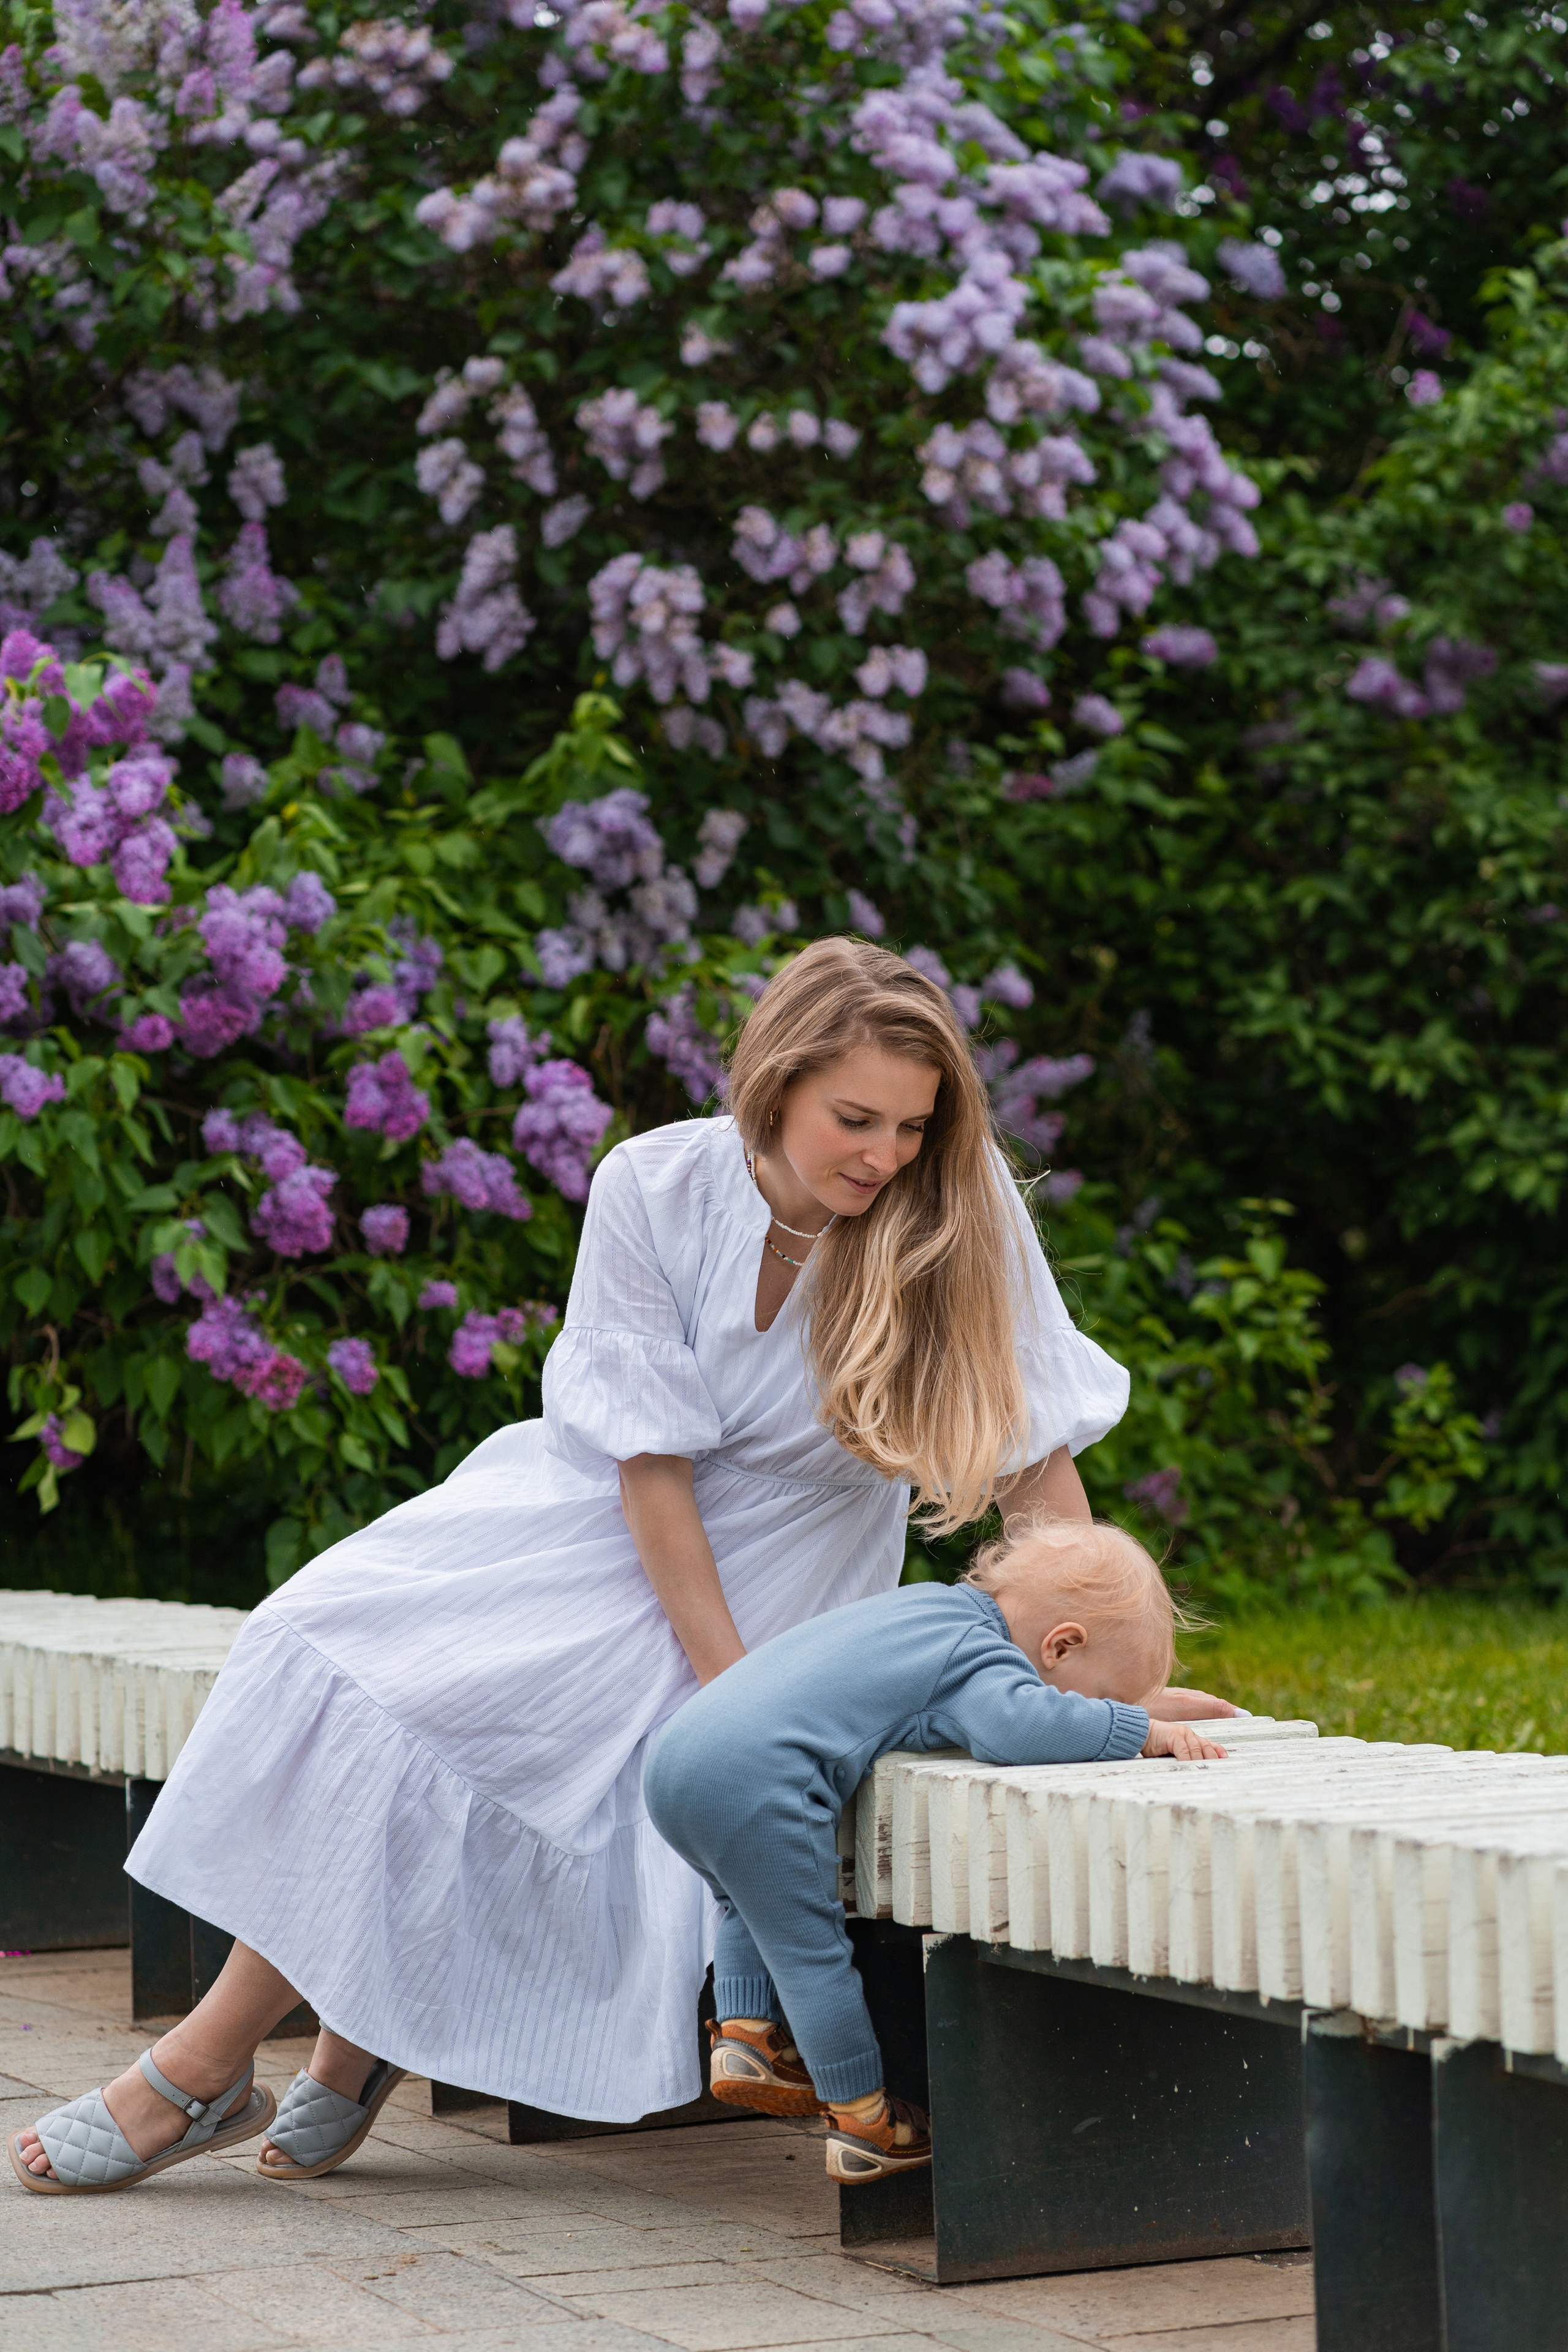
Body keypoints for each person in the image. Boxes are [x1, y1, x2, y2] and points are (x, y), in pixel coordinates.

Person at [10, 937, 1231, 2195]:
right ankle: (318, 2039)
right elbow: (649, 1468)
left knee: (542, 1737)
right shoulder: (655, 1185)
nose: (883, 1155)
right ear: (773, 1086)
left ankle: (218, 2060)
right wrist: (723, 1683)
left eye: (912, 1126)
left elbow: (1037, 1470)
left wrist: (1100, 1686)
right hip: (613, 1520)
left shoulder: (956, 1203)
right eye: (852, 1119)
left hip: (798, 1568)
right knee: (343, 1652)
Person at [644, 1513, 1226, 2182]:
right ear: (1060, 1646)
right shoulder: (982, 1657)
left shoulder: (928, 1609)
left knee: (747, 1902)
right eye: (1096, 1697)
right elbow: (1019, 1729)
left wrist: (1137, 1702)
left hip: (678, 1761)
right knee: (812, 1955)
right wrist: (1137, 1730)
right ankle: (863, 2118)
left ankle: (746, 2037)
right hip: (756, 1781)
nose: (1089, 1710)